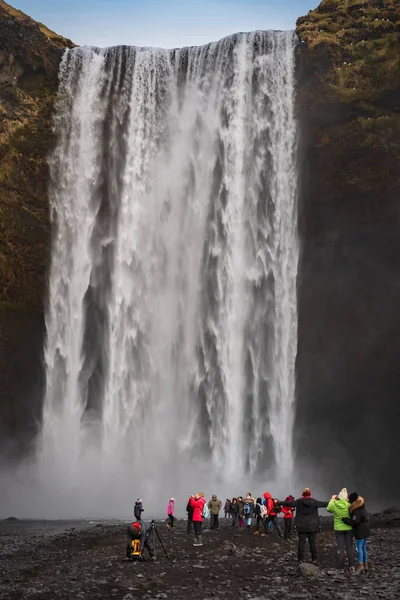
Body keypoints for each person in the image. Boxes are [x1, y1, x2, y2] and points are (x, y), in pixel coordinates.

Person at [280, 488, 328, 563]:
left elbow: (288, 503)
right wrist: (335, 501)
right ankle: (314, 558)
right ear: (310, 494)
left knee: (301, 542)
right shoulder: (314, 501)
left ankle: (300, 559)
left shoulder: (299, 501)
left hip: (301, 525)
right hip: (312, 525)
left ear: (303, 494)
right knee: (312, 542)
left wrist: (278, 503)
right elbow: (325, 504)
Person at [342, 492, 370, 575]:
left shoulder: (356, 509)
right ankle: (366, 565)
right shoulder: (362, 506)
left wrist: (344, 519)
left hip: (360, 531)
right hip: (366, 530)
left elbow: (354, 521)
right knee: (363, 548)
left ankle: (360, 565)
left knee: (359, 548)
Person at [327, 488, 354, 571]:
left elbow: (328, 508)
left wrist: (332, 499)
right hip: (349, 528)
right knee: (349, 546)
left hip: (338, 529)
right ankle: (351, 565)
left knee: (340, 546)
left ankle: (341, 564)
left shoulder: (335, 504)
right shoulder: (349, 505)